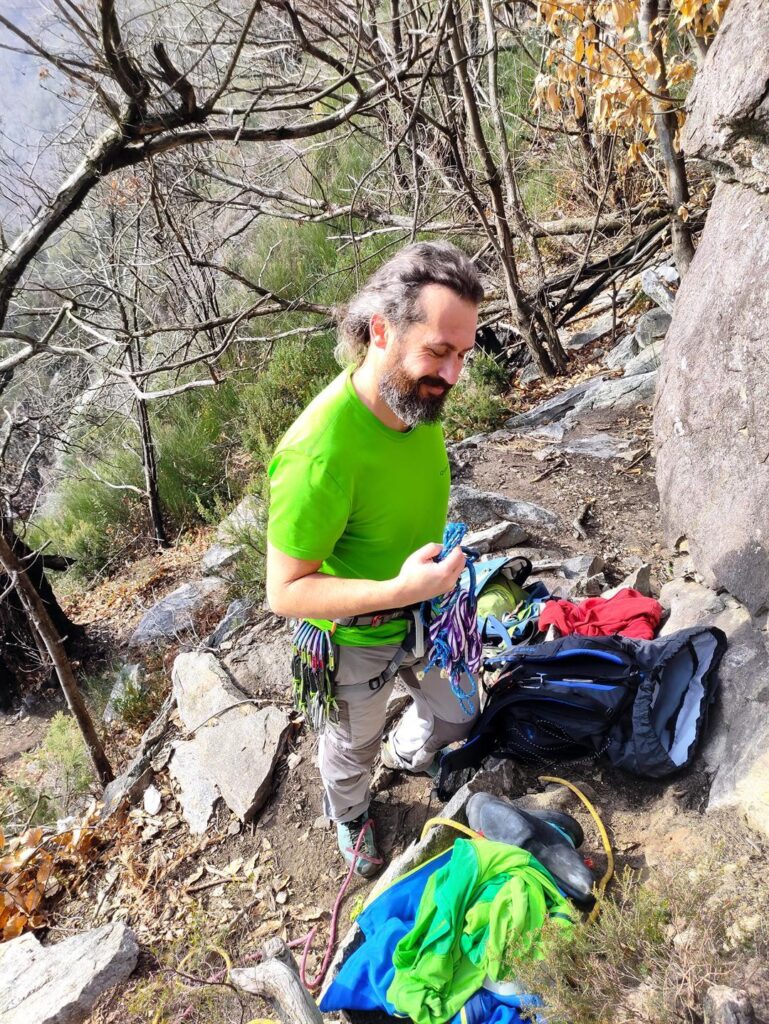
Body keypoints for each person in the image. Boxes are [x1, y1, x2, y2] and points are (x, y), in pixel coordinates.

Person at [265, 241, 484, 877]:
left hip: (433, 610)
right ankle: (351, 813)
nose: (451, 375)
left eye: (463, 355)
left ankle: (407, 751)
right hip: (357, 637)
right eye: (438, 352)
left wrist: (427, 585)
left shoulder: (419, 403)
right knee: (349, 746)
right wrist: (397, 589)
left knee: (461, 711)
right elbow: (285, 591)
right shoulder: (319, 452)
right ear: (381, 331)